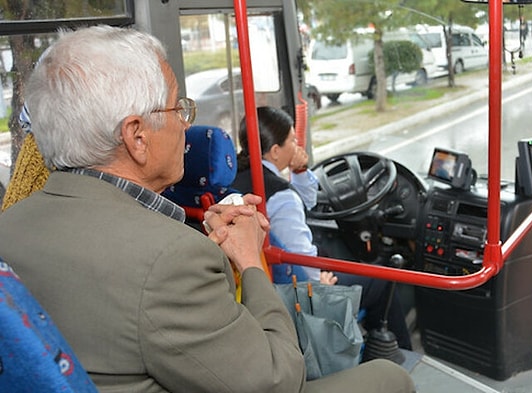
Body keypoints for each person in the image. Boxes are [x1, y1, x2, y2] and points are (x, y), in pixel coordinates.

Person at [0, 25, 414, 393]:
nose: (186, 124)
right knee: (390, 377)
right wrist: (251, 262)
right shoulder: (170, 258)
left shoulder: (10, 226)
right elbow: (278, 380)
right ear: (136, 137)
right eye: (177, 107)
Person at [232, 106, 413, 350]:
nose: (298, 146)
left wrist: (300, 171)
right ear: (275, 151)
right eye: (293, 140)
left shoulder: (235, 177)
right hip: (295, 288)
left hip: (254, 283)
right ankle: (396, 352)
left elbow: (307, 202)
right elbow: (300, 256)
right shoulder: (281, 197)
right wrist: (319, 287)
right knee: (381, 280)